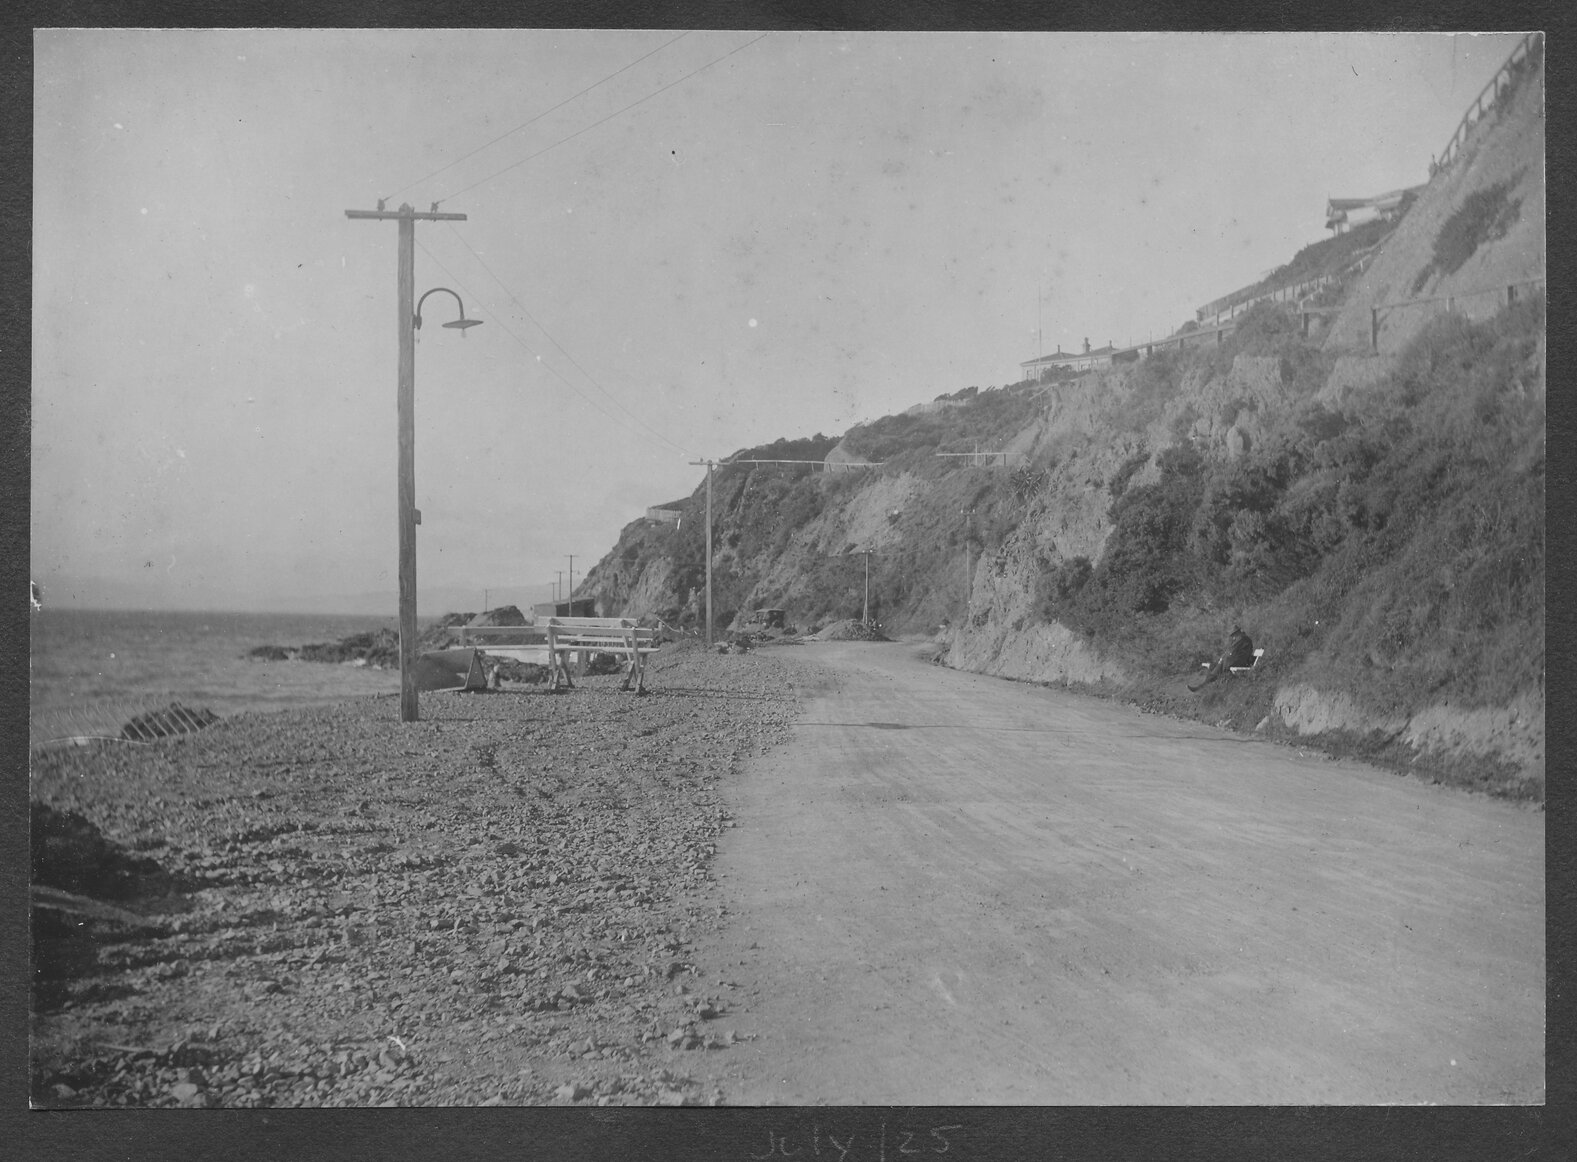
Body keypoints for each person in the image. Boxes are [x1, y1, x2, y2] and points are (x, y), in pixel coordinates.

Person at [1189, 624, 1254, 691]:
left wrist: (1223, 658)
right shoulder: (1242, 638)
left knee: (1216, 667)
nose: (1233, 637)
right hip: (1238, 661)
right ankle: (1203, 687)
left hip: (1239, 662)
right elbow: (1231, 651)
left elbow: (1231, 651)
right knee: (1215, 666)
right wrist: (1223, 658)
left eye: (1233, 635)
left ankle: (1202, 688)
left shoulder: (1241, 638)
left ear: (1237, 632)